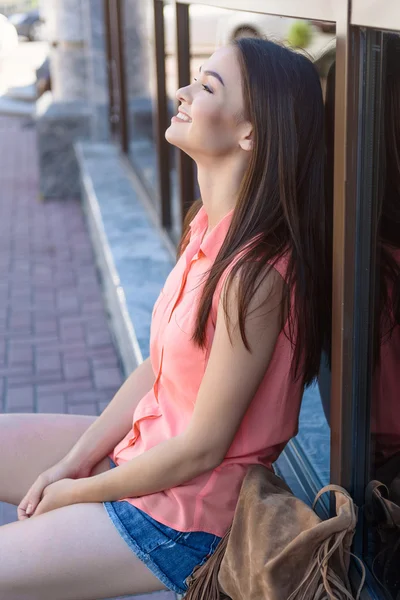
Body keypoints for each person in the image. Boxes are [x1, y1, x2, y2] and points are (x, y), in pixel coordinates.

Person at [0, 38, 329, 599]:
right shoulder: (207, 227)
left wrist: (82, 492)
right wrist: (71, 464)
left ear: (250, 131)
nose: (182, 93)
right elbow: (156, 368)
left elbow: (202, 448)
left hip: (182, 520)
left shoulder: (258, 276)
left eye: (206, 87)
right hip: (146, 455)